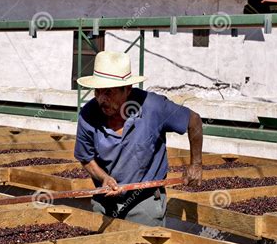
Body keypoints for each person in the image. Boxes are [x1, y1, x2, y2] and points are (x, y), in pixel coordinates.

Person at [74, 51, 203, 227]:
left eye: (108, 92)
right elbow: (85, 157)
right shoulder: (88, 114)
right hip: (104, 201)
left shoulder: (153, 107)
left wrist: (196, 164)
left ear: (127, 90)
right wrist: (104, 177)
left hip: (144, 203)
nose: (101, 98)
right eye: (97, 92)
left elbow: (193, 120)